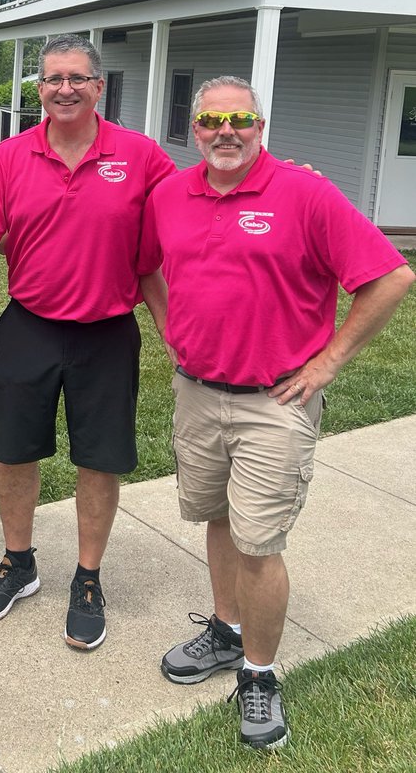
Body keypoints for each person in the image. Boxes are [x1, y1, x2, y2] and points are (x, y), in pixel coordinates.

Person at [138, 75, 414, 750]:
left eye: (240, 119)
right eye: (210, 120)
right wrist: (172, 327)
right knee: (217, 518)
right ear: (193, 127)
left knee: (259, 543)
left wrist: (327, 362)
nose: (225, 131)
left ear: (261, 125)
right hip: (198, 392)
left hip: (275, 403)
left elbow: (391, 277)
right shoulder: (170, 195)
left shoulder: (306, 192)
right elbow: (146, 267)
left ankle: (259, 675)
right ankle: (227, 633)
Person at [0, 34, 175, 650]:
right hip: (29, 326)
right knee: (15, 451)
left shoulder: (143, 157)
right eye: (52, 79)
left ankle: (89, 577)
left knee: (98, 458)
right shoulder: (11, 157)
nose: (63, 88)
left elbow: (188, 221)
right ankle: (19, 564)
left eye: (77, 78)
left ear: (99, 87)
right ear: (38, 89)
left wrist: (281, 177)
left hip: (106, 333)